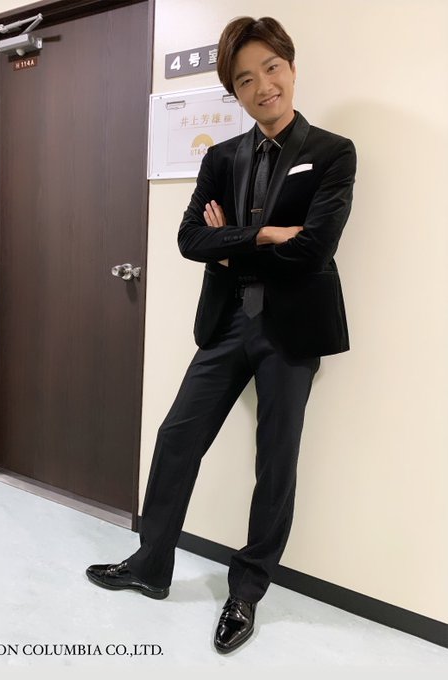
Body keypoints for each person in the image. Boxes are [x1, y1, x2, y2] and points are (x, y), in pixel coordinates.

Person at [86, 16, 356, 654]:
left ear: (291, 67)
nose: (263, 86)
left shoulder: (333, 152)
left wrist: (229, 243)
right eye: (245, 79)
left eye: (271, 69)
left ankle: (246, 592)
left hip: (292, 329)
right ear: (233, 92)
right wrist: (262, 234)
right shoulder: (221, 157)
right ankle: (151, 565)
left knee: (276, 462)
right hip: (227, 321)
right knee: (177, 437)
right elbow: (189, 239)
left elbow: (315, 250)